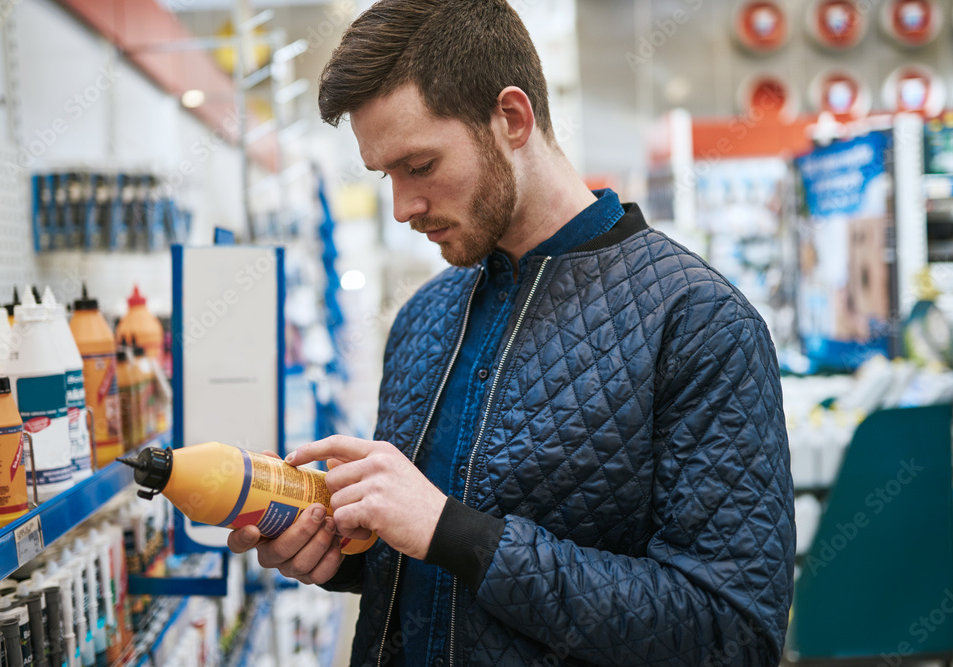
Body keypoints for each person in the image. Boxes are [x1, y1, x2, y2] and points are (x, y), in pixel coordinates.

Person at [227, 0, 796, 664]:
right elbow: (436, 566)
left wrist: (457, 532)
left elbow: (730, 632)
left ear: (512, 119)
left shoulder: (697, 323)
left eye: (420, 165)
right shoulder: (424, 319)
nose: (403, 206)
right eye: (386, 175)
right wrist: (342, 555)